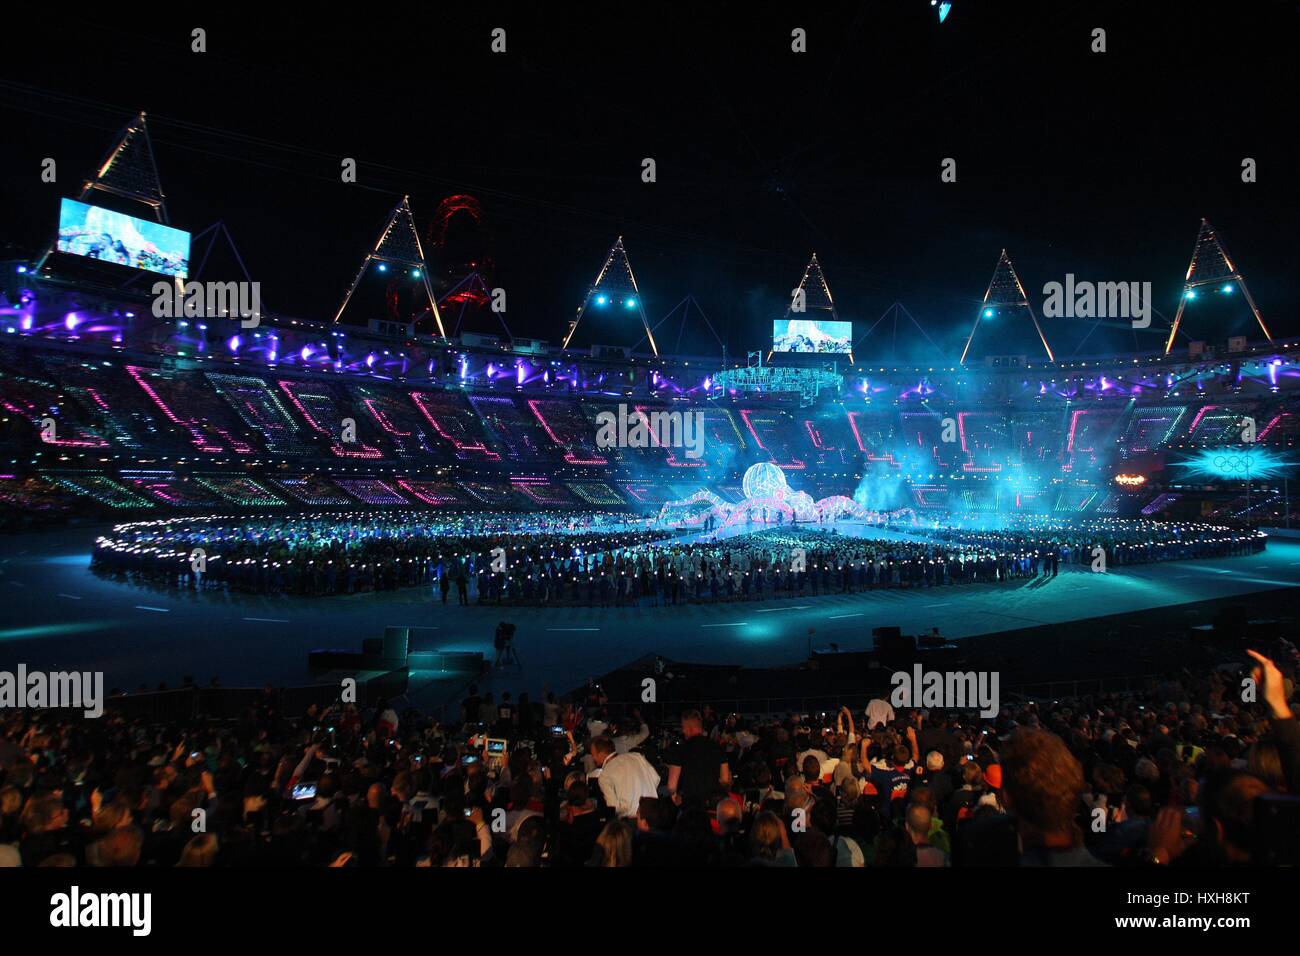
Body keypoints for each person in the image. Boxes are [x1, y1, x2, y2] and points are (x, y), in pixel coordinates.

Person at [666, 710, 730, 808]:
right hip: (712, 806)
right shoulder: (717, 747)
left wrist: (675, 799)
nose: (682, 731)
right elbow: (725, 779)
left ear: (689, 728)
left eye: (683, 727)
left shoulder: (679, 750)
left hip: (690, 807)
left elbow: (671, 787)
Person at [590, 735, 660, 819]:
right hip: (652, 814)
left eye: (593, 754)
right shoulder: (636, 756)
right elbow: (656, 778)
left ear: (600, 754)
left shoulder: (605, 775)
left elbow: (613, 807)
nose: (592, 758)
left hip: (630, 821)